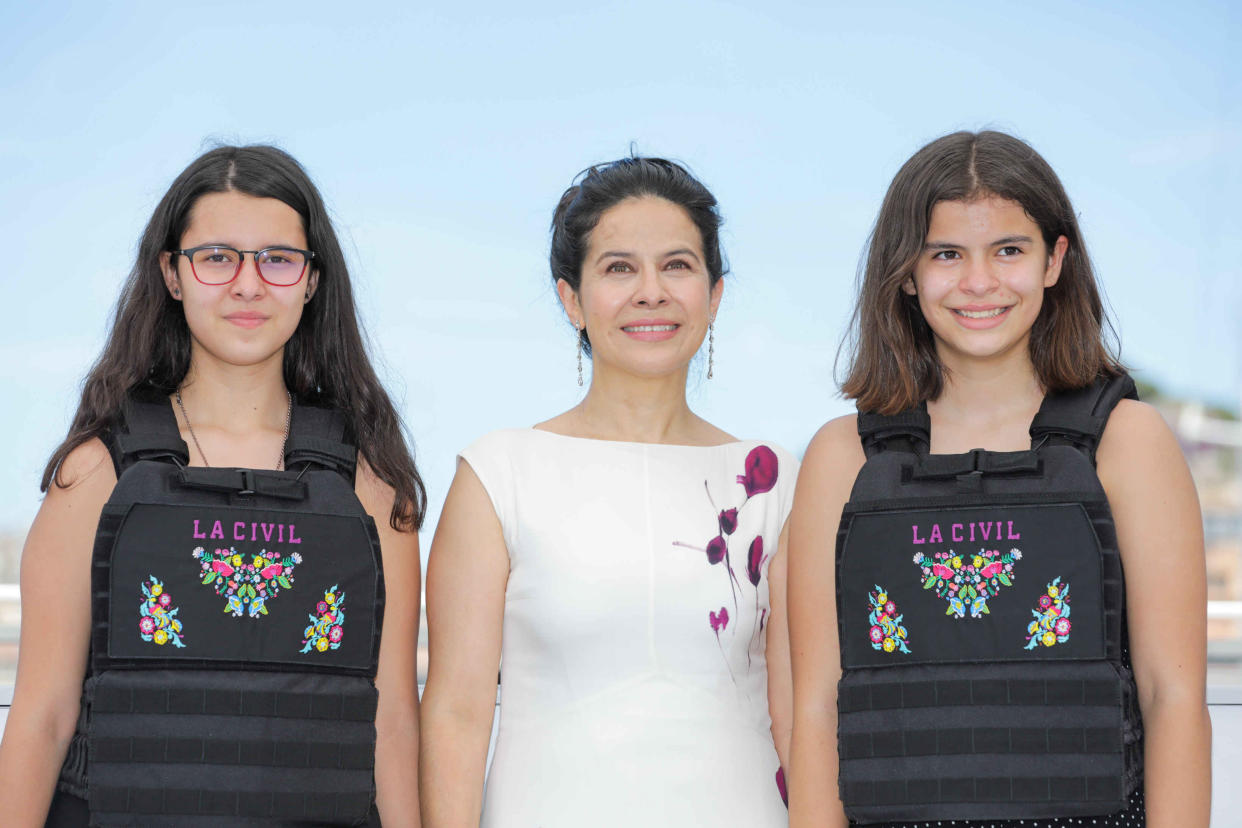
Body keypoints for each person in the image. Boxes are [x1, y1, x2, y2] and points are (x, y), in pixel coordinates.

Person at [786, 130, 1211, 827]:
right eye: (946, 254)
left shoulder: (1128, 443)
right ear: (906, 273)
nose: (979, 282)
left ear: (1055, 260)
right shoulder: (843, 457)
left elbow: (1176, 698)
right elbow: (816, 707)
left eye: (1009, 250)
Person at [0, 145, 425, 827]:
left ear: (312, 281)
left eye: (277, 259)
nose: (248, 285)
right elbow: (42, 717)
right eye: (217, 257)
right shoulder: (96, 473)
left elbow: (394, 722)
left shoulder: (369, 483)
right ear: (173, 273)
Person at [420, 156, 796, 826]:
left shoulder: (773, 481)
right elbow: (455, 713)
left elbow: (803, 709)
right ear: (571, 298)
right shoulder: (499, 474)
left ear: (714, 294)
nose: (650, 292)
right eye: (619, 268)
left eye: (677, 266)